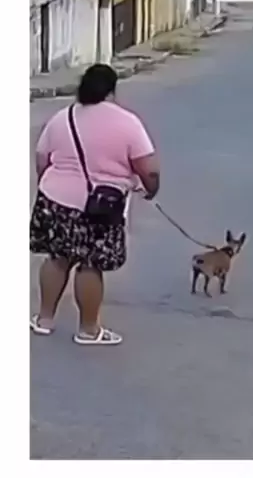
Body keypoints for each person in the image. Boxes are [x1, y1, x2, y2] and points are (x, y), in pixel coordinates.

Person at [30, 64, 160, 346]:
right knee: (90, 265)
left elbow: (42, 159)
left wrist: (50, 187)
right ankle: (88, 330)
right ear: (111, 90)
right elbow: (148, 169)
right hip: (100, 206)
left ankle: (44, 320)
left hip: (55, 199)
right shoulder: (127, 123)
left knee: (57, 257)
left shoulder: (62, 117)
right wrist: (151, 190)